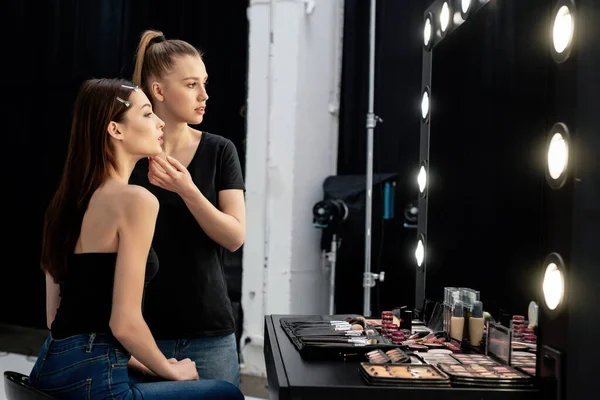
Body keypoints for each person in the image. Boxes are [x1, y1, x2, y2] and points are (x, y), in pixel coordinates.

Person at [29, 78, 244, 400]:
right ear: (115, 130)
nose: (159, 122)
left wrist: (146, 364)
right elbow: (125, 323)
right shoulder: (135, 200)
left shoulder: (63, 204)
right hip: (95, 379)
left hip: (49, 369)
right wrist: (170, 370)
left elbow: (55, 318)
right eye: (146, 114)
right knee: (225, 393)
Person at [128, 30, 246, 386]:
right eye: (192, 84)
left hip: (210, 333)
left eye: (205, 83)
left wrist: (187, 190)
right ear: (159, 91)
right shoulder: (128, 155)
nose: (204, 96)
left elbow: (234, 236)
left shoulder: (220, 150)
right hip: (142, 335)